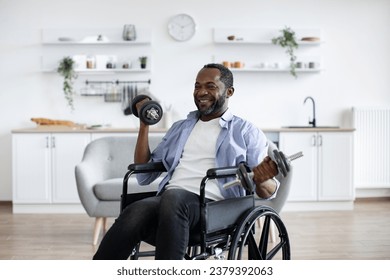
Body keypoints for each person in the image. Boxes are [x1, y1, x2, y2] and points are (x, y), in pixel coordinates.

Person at [93, 63, 279, 260]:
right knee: (135, 210)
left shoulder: (246, 132)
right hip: (170, 201)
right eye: (197, 86)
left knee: (174, 199)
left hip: (215, 207)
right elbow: (145, 175)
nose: (201, 92)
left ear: (229, 92)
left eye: (210, 86)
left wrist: (262, 178)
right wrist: (144, 124)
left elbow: (266, 190)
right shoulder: (181, 128)